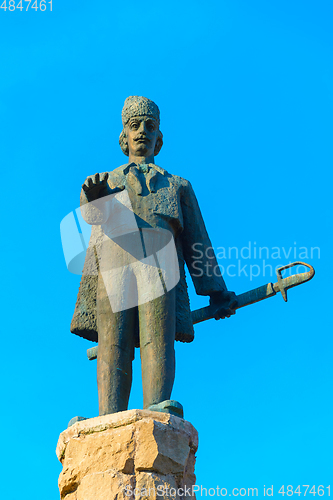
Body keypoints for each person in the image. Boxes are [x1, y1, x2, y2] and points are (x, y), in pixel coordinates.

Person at [72, 96, 237, 417]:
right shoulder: (103, 182)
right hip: (113, 268)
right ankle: (107, 415)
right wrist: (95, 200)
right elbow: (91, 219)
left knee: (157, 336)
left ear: (159, 138)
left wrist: (217, 291)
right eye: (135, 126)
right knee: (112, 341)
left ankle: (157, 407)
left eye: (150, 126)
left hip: (160, 267)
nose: (142, 132)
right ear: (124, 137)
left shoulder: (177, 186)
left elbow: (196, 239)